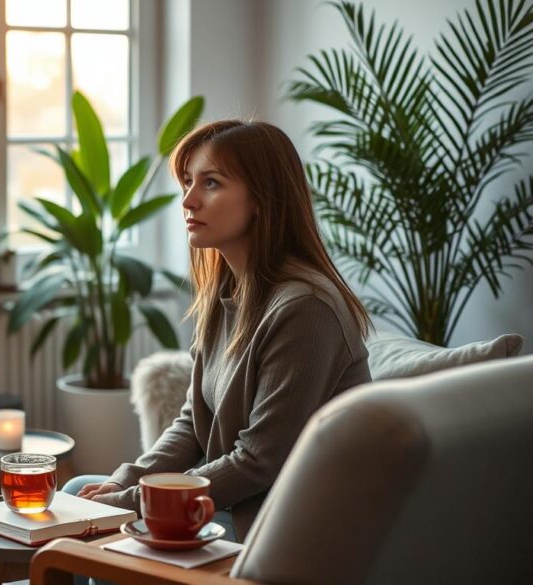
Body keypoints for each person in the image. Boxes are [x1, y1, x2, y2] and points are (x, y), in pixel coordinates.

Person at [63, 120, 372, 543]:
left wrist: (135, 503)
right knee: (76, 493)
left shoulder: (306, 309)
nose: (188, 200)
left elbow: (258, 462)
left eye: (211, 183)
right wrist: (124, 482)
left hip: (278, 520)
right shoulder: (225, 293)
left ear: (262, 199)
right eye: (188, 182)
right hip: (228, 502)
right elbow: (193, 424)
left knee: (109, 533)